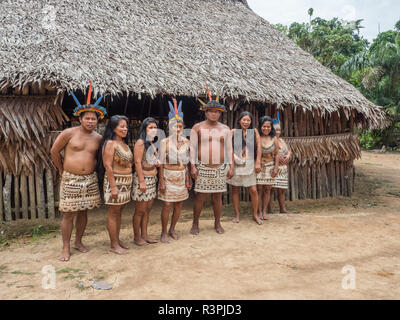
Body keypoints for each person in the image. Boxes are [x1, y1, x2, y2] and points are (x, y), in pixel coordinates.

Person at [51, 82, 106, 261]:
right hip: (70, 178)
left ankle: (78, 241)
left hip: (89, 179)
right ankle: (65, 247)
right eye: (87, 118)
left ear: (98, 120)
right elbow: (54, 152)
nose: (91, 121)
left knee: (84, 212)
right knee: (68, 213)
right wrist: (61, 170)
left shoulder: (98, 138)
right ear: (80, 119)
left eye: (94, 119)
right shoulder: (69, 133)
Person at [190, 86, 234, 235]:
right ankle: (195, 223)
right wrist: (193, 166)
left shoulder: (225, 129)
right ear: (205, 112)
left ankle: (217, 223)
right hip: (203, 166)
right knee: (200, 197)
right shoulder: (197, 127)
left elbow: (229, 149)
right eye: (210, 111)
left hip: (220, 167)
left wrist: (231, 166)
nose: (213, 114)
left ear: (220, 113)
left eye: (216, 112)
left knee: (217, 197)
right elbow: (193, 149)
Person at [98, 115, 133, 255]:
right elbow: (108, 166)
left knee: (119, 212)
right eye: (121, 126)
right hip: (115, 182)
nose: (125, 129)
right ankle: (113, 245)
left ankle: (117, 240)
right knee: (113, 213)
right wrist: (113, 187)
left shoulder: (124, 144)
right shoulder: (110, 143)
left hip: (125, 182)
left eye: (126, 126)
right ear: (113, 128)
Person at [158, 99, 191, 243]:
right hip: (168, 176)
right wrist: (161, 181)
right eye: (174, 127)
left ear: (182, 128)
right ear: (169, 127)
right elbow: (160, 163)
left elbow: (188, 162)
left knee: (179, 204)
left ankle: (172, 229)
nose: (177, 129)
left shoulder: (187, 142)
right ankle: (164, 232)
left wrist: (188, 178)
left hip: (181, 176)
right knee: (167, 204)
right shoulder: (164, 142)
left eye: (179, 127)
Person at [227, 111, 262, 225]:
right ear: (239, 120)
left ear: (251, 121)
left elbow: (259, 148)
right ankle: (237, 214)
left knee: (253, 190)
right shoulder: (233, 132)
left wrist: (258, 162)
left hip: (250, 163)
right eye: (244, 120)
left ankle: (255, 214)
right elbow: (227, 147)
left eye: (248, 120)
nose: (246, 122)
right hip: (236, 164)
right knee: (235, 189)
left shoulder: (254, 132)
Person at [132, 117, 159, 246]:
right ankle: (137, 237)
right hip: (143, 179)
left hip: (152, 179)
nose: (153, 130)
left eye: (155, 128)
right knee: (140, 211)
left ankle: (145, 235)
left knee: (147, 209)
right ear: (144, 129)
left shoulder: (151, 142)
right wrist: (142, 181)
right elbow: (137, 162)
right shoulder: (140, 142)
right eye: (150, 128)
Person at [256, 116, 280, 221]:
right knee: (259, 190)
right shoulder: (257, 137)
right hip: (260, 167)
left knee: (267, 190)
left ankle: (265, 211)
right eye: (264, 126)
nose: (266, 129)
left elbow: (277, 155)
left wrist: (276, 168)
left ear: (271, 127)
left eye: (268, 127)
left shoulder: (274, 138)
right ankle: (259, 211)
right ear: (260, 127)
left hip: (270, 167)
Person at [272, 115, 291, 213]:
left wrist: (288, 155)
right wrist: (277, 158)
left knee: (282, 189)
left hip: (283, 168)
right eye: (275, 130)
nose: (277, 132)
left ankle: (282, 208)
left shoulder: (282, 140)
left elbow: (288, 150)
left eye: (279, 130)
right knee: (270, 189)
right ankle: (268, 209)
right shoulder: (270, 140)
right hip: (274, 167)